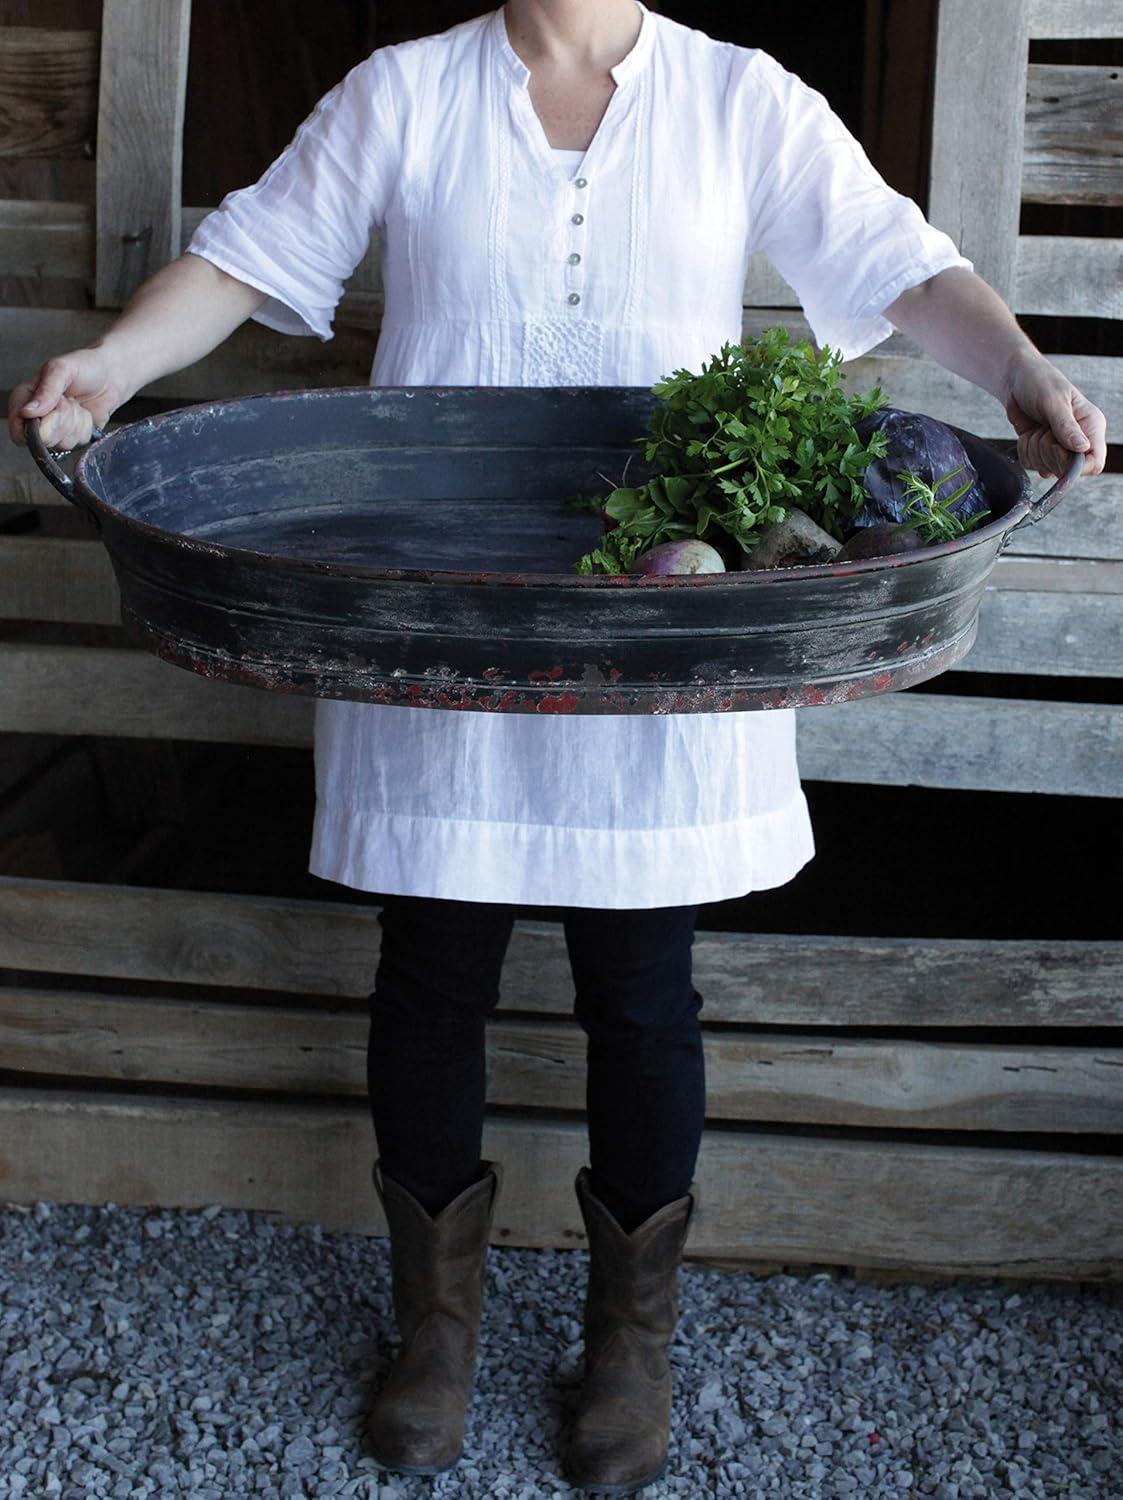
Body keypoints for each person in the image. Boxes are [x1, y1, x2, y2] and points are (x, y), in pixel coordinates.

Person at [8, 1, 1108, 1492]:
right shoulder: (405, 93)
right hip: (436, 610)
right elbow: (245, 258)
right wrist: (113, 369)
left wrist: (1023, 376)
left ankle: (629, 1339)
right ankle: (436, 1329)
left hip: (661, 624)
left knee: (643, 986)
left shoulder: (740, 98)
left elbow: (904, 262)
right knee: (434, 963)